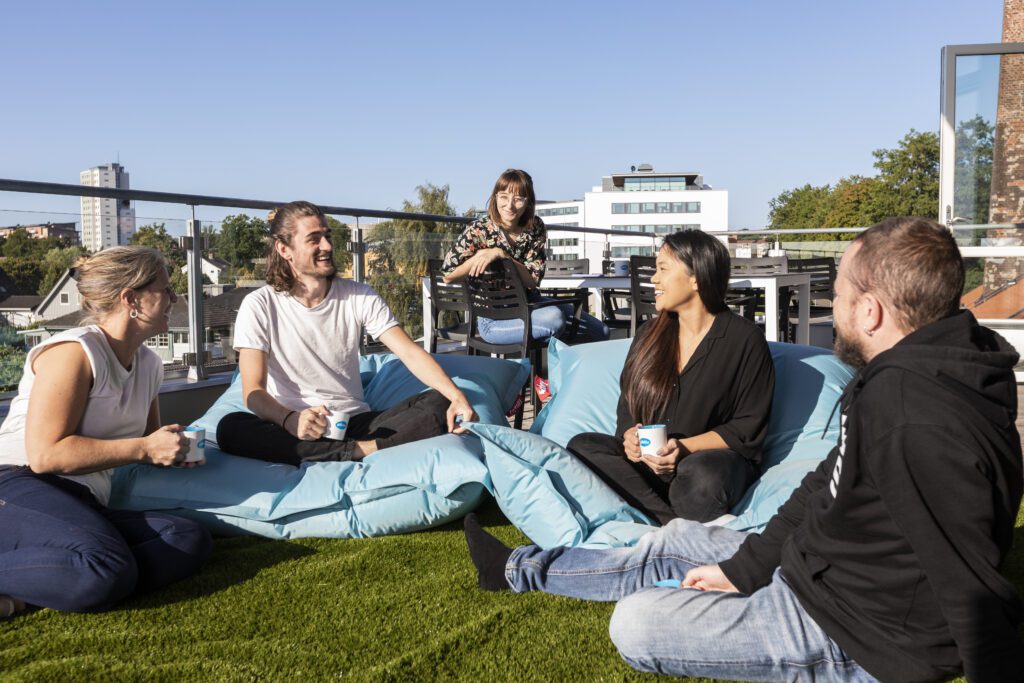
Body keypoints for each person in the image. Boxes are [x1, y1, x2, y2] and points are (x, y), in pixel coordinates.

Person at [464, 217, 1024, 682]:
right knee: (677, 537)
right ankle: (521, 568)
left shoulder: (916, 415)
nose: (834, 301)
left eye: (842, 291)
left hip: (853, 628)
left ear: (872, 311)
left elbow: (969, 586)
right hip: (813, 565)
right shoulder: (901, 379)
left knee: (636, 623)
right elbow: (822, 485)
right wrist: (747, 566)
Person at [0, 247, 212, 617]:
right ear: (131, 298)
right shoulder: (75, 351)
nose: (175, 298)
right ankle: (84, 576)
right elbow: (46, 455)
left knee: (186, 539)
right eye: (165, 288)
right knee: (107, 566)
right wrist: (145, 449)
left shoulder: (148, 364)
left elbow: (146, 439)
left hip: (81, 499)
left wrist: (173, 451)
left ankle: (29, 595)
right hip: (18, 483)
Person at [217, 200, 477, 466]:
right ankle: (363, 451)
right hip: (293, 426)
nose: (328, 246)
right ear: (285, 249)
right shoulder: (259, 304)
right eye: (314, 239)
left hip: (355, 423)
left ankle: (354, 450)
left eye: (328, 236)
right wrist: (290, 420)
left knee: (439, 402)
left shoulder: (359, 295)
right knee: (230, 427)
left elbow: (409, 352)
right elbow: (253, 391)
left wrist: (456, 397)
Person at [567, 229, 773, 524]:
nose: (653, 279)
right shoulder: (649, 335)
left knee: (703, 478)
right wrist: (630, 438)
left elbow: (747, 428)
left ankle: (647, 516)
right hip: (647, 467)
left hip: (706, 464)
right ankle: (669, 526)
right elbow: (628, 405)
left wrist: (683, 448)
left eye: (662, 269)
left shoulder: (744, 339)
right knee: (582, 447)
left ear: (696, 278)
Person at [440, 168, 609, 350]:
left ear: (528, 202)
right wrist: (478, 257)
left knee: (602, 331)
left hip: (531, 304)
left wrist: (502, 255)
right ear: (495, 197)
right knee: (555, 320)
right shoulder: (479, 229)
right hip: (494, 319)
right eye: (504, 197)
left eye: (518, 199)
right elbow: (447, 276)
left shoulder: (535, 227)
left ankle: (548, 369)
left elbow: (532, 281)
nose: (509, 205)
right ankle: (543, 373)